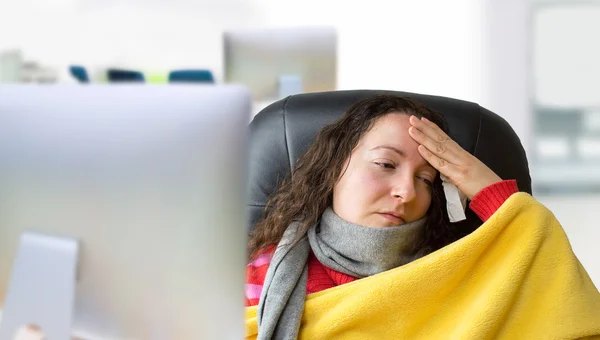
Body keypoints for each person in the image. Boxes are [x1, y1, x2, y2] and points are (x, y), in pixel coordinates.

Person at [244, 95, 600, 339]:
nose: (407, 192)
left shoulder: (458, 271)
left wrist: (487, 187)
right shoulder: (264, 269)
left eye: (426, 179)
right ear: (333, 169)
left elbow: (557, 299)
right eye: (385, 164)